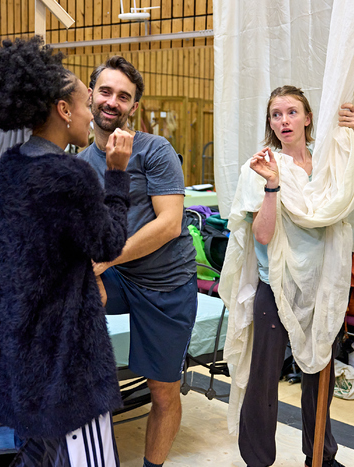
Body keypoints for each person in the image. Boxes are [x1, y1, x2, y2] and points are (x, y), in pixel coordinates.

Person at [0, 36, 132, 467]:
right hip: (64, 356)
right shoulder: (70, 174)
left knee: (35, 451)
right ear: (62, 109)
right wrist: (115, 176)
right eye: (85, 103)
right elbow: (109, 242)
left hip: (19, 347)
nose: (91, 113)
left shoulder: (13, 164)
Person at [221, 85, 354, 467]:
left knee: (319, 376)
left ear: (308, 117)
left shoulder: (329, 165)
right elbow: (262, 234)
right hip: (274, 286)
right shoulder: (259, 166)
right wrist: (272, 185)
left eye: (291, 112)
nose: (284, 121)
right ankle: (258, 461)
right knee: (263, 382)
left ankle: (321, 457)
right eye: (276, 115)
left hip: (321, 287)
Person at [77, 56, 197, 467]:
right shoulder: (81, 165)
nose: (113, 101)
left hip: (166, 284)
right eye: (106, 91)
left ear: (134, 107)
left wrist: (103, 262)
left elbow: (168, 224)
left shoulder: (155, 150)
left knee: (164, 391)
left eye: (123, 96)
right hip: (120, 276)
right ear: (90, 95)